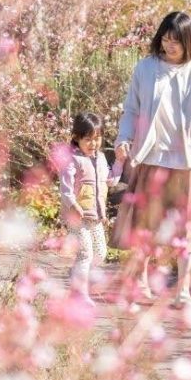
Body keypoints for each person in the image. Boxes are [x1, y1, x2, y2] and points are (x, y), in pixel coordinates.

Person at [110, 11, 191, 307]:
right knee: (145, 224)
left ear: (189, 42)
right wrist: (123, 139)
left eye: (176, 40)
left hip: (188, 162)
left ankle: (182, 290)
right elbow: (131, 110)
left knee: (190, 230)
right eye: (165, 38)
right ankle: (142, 281)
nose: (169, 45)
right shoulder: (146, 68)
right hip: (151, 158)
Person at [58, 112, 110, 304]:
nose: (93, 144)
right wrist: (73, 205)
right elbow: (65, 189)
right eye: (88, 139)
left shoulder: (102, 158)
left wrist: (121, 163)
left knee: (100, 253)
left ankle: (77, 273)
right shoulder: (73, 160)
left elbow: (109, 180)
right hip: (77, 217)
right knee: (85, 253)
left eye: (97, 139)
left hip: (95, 216)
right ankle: (79, 294)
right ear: (76, 138)